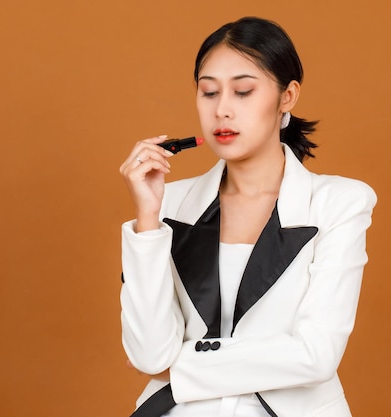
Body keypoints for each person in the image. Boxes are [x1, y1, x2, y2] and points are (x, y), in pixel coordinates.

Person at [118, 16, 376, 417]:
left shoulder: (339, 203)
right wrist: (148, 220)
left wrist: (182, 367)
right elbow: (151, 356)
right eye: (208, 92)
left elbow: (315, 355)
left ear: (287, 96)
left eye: (242, 92)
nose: (222, 110)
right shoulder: (168, 204)